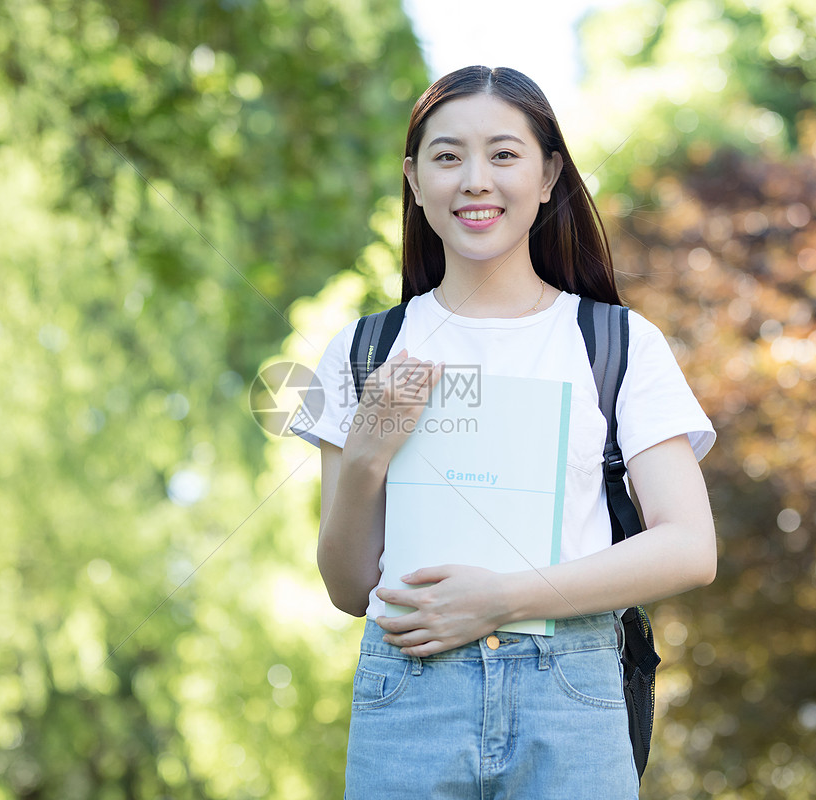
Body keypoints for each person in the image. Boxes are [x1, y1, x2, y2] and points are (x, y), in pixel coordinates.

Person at [289, 65, 716, 798]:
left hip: (571, 696)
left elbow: (689, 547)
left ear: (549, 175)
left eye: (504, 155)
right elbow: (349, 586)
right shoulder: (363, 350)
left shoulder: (614, 342)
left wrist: (504, 599)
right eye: (448, 157)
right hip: (409, 695)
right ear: (415, 181)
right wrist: (364, 458)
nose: (475, 180)